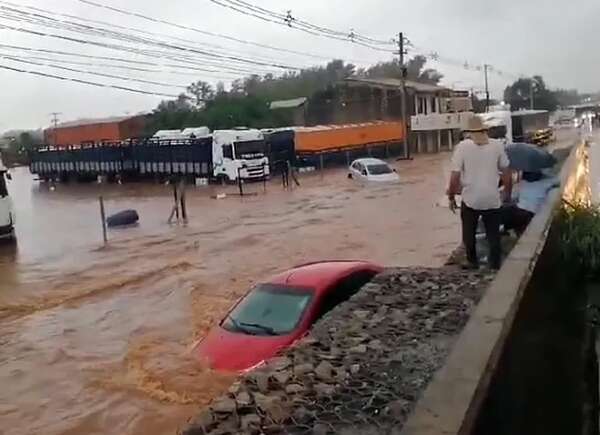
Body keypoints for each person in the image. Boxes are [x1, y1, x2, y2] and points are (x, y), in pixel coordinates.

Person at [447, 116, 512, 270]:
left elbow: (455, 176)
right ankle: (494, 265)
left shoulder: (462, 147)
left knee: (469, 232)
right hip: (492, 198)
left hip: (471, 198)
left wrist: (451, 196)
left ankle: (472, 261)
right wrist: (507, 193)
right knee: (493, 234)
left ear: (468, 132)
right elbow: (506, 172)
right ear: (484, 130)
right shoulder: (496, 145)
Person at [502, 171, 559, 235]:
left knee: (503, 212)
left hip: (521, 212)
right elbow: (557, 181)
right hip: (531, 212)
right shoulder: (546, 183)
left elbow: (513, 197)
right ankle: (507, 229)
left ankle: (503, 229)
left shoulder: (523, 183)